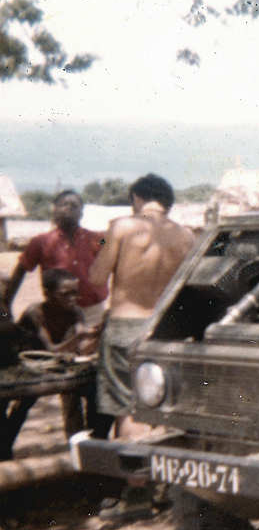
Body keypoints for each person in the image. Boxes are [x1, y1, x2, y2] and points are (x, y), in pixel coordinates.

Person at [89, 173, 195, 440]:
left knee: (129, 409)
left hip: (126, 326)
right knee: (160, 405)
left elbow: (96, 277)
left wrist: (103, 243)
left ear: (137, 197)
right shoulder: (186, 236)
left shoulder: (119, 227)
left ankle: (132, 466)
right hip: (166, 329)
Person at [0, 269, 104, 459]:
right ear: (47, 294)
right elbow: (51, 349)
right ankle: (4, 449)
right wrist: (79, 337)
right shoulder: (35, 312)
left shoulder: (75, 311)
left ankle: (92, 445)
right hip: (25, 366)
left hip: (47, 366)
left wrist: (95, 335)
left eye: (75, 293)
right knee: (20, 405)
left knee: (92, 390)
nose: (72, 299)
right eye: (65, 294)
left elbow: (81, 347)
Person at [1, 190, 108, 327]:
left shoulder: (97, 239)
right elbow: (20, 272)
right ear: (55, 210)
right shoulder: (40, 242)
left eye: (74, 205)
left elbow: (108, 246)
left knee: (91, 341)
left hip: (92, 311)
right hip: (58, 313)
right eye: (64, 204)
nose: (69, 208)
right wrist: (6, 305)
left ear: (81, 213)